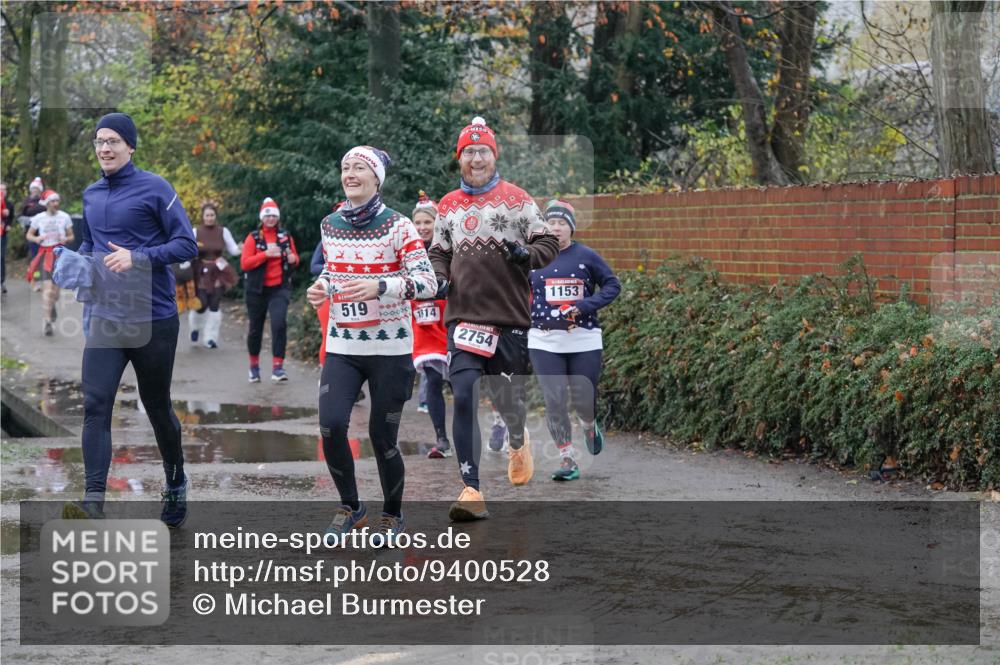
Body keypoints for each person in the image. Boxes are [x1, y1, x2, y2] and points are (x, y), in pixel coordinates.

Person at [60, 112, 198, 526]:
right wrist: (75, 262)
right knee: (95, 404)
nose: (105, 148)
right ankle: (93, 502)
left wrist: (138, 257)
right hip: (105, 315)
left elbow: (186, 244)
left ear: (130, 146)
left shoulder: (155, 188)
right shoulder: (90, 194)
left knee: (156, 407)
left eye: (114, 141)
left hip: (153, 317)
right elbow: (90, 242)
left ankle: (175, 481)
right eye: (100, 141)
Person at [429, 117, 559, 521]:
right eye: (468, 152)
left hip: (509, 319)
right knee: (464, 394)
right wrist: (437, 277)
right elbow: (439, 250)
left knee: (508, 402)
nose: (476, 158)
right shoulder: (447, 205)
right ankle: (471, 489)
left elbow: (548, 241)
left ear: (493, 155)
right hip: (464, 317)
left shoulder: (517, 199)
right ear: (460, 159)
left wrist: (527, 256)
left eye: (482, 150)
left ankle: (518, 441)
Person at [306, 146, 436, 541]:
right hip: (343, 345)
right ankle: (351, 506)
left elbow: (427, 283)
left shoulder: (399, 226)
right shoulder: (330, 224)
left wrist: (381, 286)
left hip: (390, 349)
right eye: (345, 166)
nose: (350, 173)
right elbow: (333, 268)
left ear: (376, 177)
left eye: (359, 167)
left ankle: (392, 516)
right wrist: (322, 286)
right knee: (330, 426)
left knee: (383, 439)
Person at [528, 199, 620, 481]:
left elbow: (612, 285)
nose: (556, 228)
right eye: (551, 223)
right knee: (554, 399)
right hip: (544, 339)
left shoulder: (587, 256)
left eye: (561, 224)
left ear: (571, 228)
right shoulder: (533, 257)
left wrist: (584, 306)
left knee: (584, 399)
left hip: (583, 338)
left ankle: (589, 425)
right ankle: (567, 457)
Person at [410, 191, 451, 459]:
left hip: (450, 320)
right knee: (433, 380)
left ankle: (472, 432)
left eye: (428, 223)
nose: (423, 228)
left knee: (461, 383)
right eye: (419, 223)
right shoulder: (409, 252)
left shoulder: (448, 250)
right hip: (424, 324)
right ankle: (442, 439)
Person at [240, 197, 300, 382]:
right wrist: (265, 254)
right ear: (262, 218)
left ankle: (278, 368)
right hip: (256, 290)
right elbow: (245, 264)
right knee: (255, 330)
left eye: (274, 215)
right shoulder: (254, 237)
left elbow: (295, 258)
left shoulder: (285, 236)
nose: (271, 219)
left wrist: (293, 259)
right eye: (268, 216)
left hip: (279, 288)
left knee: (279, 324)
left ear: (278, 217)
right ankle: (254, 366)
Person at [188, 202, 241, 348]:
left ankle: (210, 338)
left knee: (214, 304)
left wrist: (242, 248)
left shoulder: (223, 231)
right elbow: (187, 249)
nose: (210, 218)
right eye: (207, 215)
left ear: (215, 216)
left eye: (212, 215)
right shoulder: (195, 231)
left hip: (218, 270)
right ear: (203, 217)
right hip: (200, 270)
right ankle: (195, 328)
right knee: (202, 303)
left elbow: (234, 249)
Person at [26, 189, 75, 334]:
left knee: (56, 293)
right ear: (47, 203)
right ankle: (47, 322)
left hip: (60, 255)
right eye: (53, 201)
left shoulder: (64, 217)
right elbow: (29, 235)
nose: (56, 203)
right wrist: (37, 239)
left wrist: (66, 239)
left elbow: (71, 236)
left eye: (57, 201)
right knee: (47, 289)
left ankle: (52, 305)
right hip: (45, 254)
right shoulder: (39, 218)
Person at [19, 177, 46, 274]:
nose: (35, 190)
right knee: (35, 256)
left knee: (44, 256)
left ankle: (45, 278)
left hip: (44, 234)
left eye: (37, 188)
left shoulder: (44, 200)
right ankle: (36, 277)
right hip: (31, 233)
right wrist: (31, 220)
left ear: (40, 190)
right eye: (33, 188)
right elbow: (20, 216)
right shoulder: (26, 201)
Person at [1, 182, 11, 294]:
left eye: (4, 189)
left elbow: (11, 217)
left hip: (2, 234)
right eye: (0, 189)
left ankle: (2, 282)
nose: (2, 191)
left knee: (1, 257)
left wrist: (8, 224)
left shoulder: (9, 204)